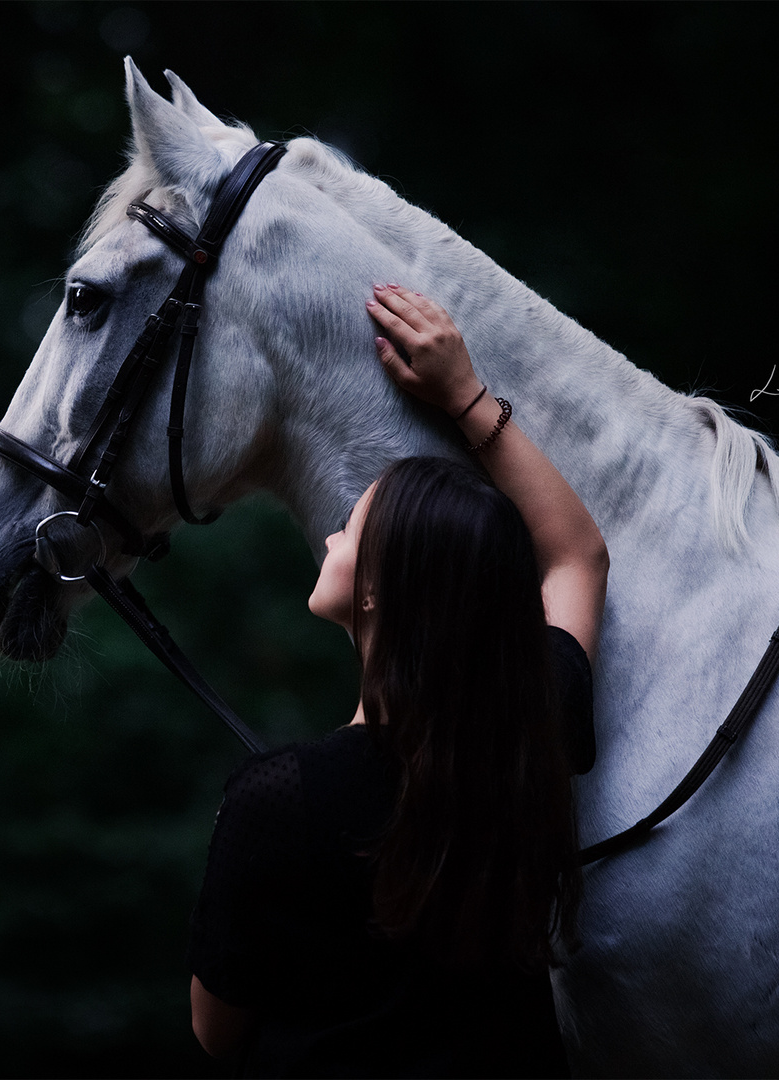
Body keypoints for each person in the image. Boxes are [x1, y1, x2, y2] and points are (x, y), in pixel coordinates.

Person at [185, 283, 609, 1077]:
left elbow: (215, 1029)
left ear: (378, 588)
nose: (332, 531)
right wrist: (467, 397)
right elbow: (576, 554)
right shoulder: (530, 730)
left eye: (352, 525)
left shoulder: (275, 797)